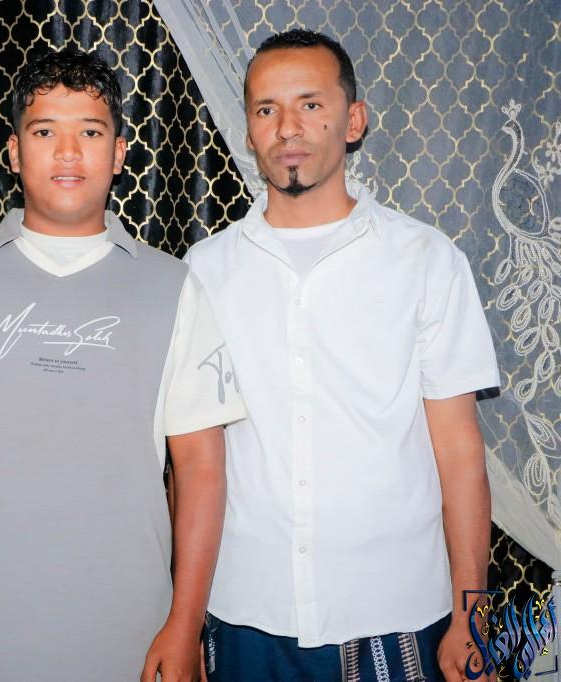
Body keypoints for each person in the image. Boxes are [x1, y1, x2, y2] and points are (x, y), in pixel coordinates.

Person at [0, 49, 245, 682]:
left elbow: (201, 468)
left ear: (119, 153)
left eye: (90, 133)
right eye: (45, 131)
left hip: (130, 631)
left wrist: (185, 624)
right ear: (14, 152)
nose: (68, 152)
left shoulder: (174, 287)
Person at [184, 28, 500, 682]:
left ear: (354, 121)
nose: (287, 127)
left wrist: (472, 615)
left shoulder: (426, 260)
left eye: (311, 104)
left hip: (396, 609)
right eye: (267, 109)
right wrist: (183, 619)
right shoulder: (204, 270)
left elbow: (460, 451)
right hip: (245, 610)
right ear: (249, 131)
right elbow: (191, 460)